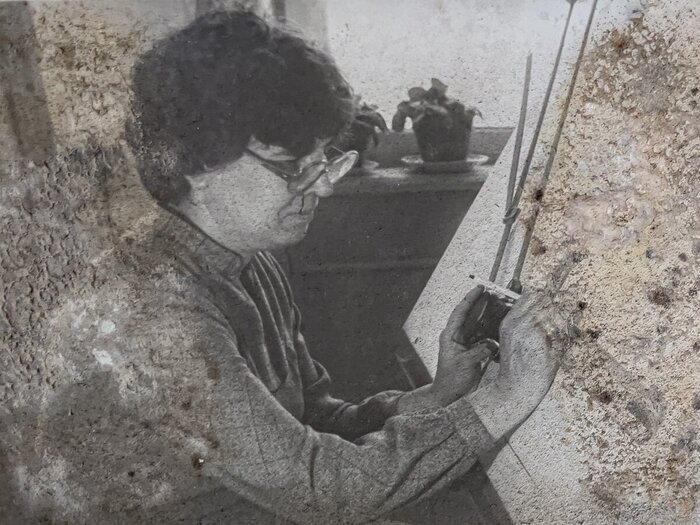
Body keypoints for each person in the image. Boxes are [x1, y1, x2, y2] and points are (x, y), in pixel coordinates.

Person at [5, 10, 558, 524]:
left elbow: (310, 421)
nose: (322, 188)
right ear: (196, 164)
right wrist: (506, 395)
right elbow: (319, 487)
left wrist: (435, 397)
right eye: (293, 166)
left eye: (325, 160)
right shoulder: (150, 310)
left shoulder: (252, 257)